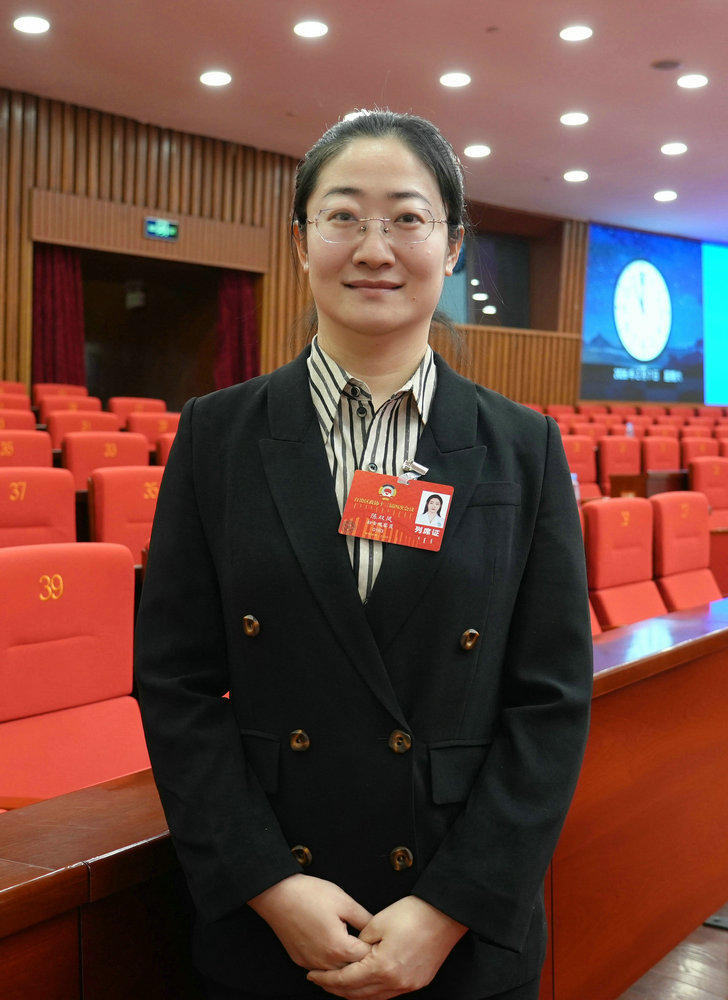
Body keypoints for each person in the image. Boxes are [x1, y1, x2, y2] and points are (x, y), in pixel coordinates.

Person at [134, 109, 593, 1000]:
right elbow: (176, 684)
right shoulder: (216, 435)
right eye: (343, 215)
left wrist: (450, 906)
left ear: (451, 247)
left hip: (459, 929)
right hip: (273, 920)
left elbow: (551, 701)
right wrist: (269, 884)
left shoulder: (524, 448)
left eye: (407, 218)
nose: (374, 248)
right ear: (301, 241)